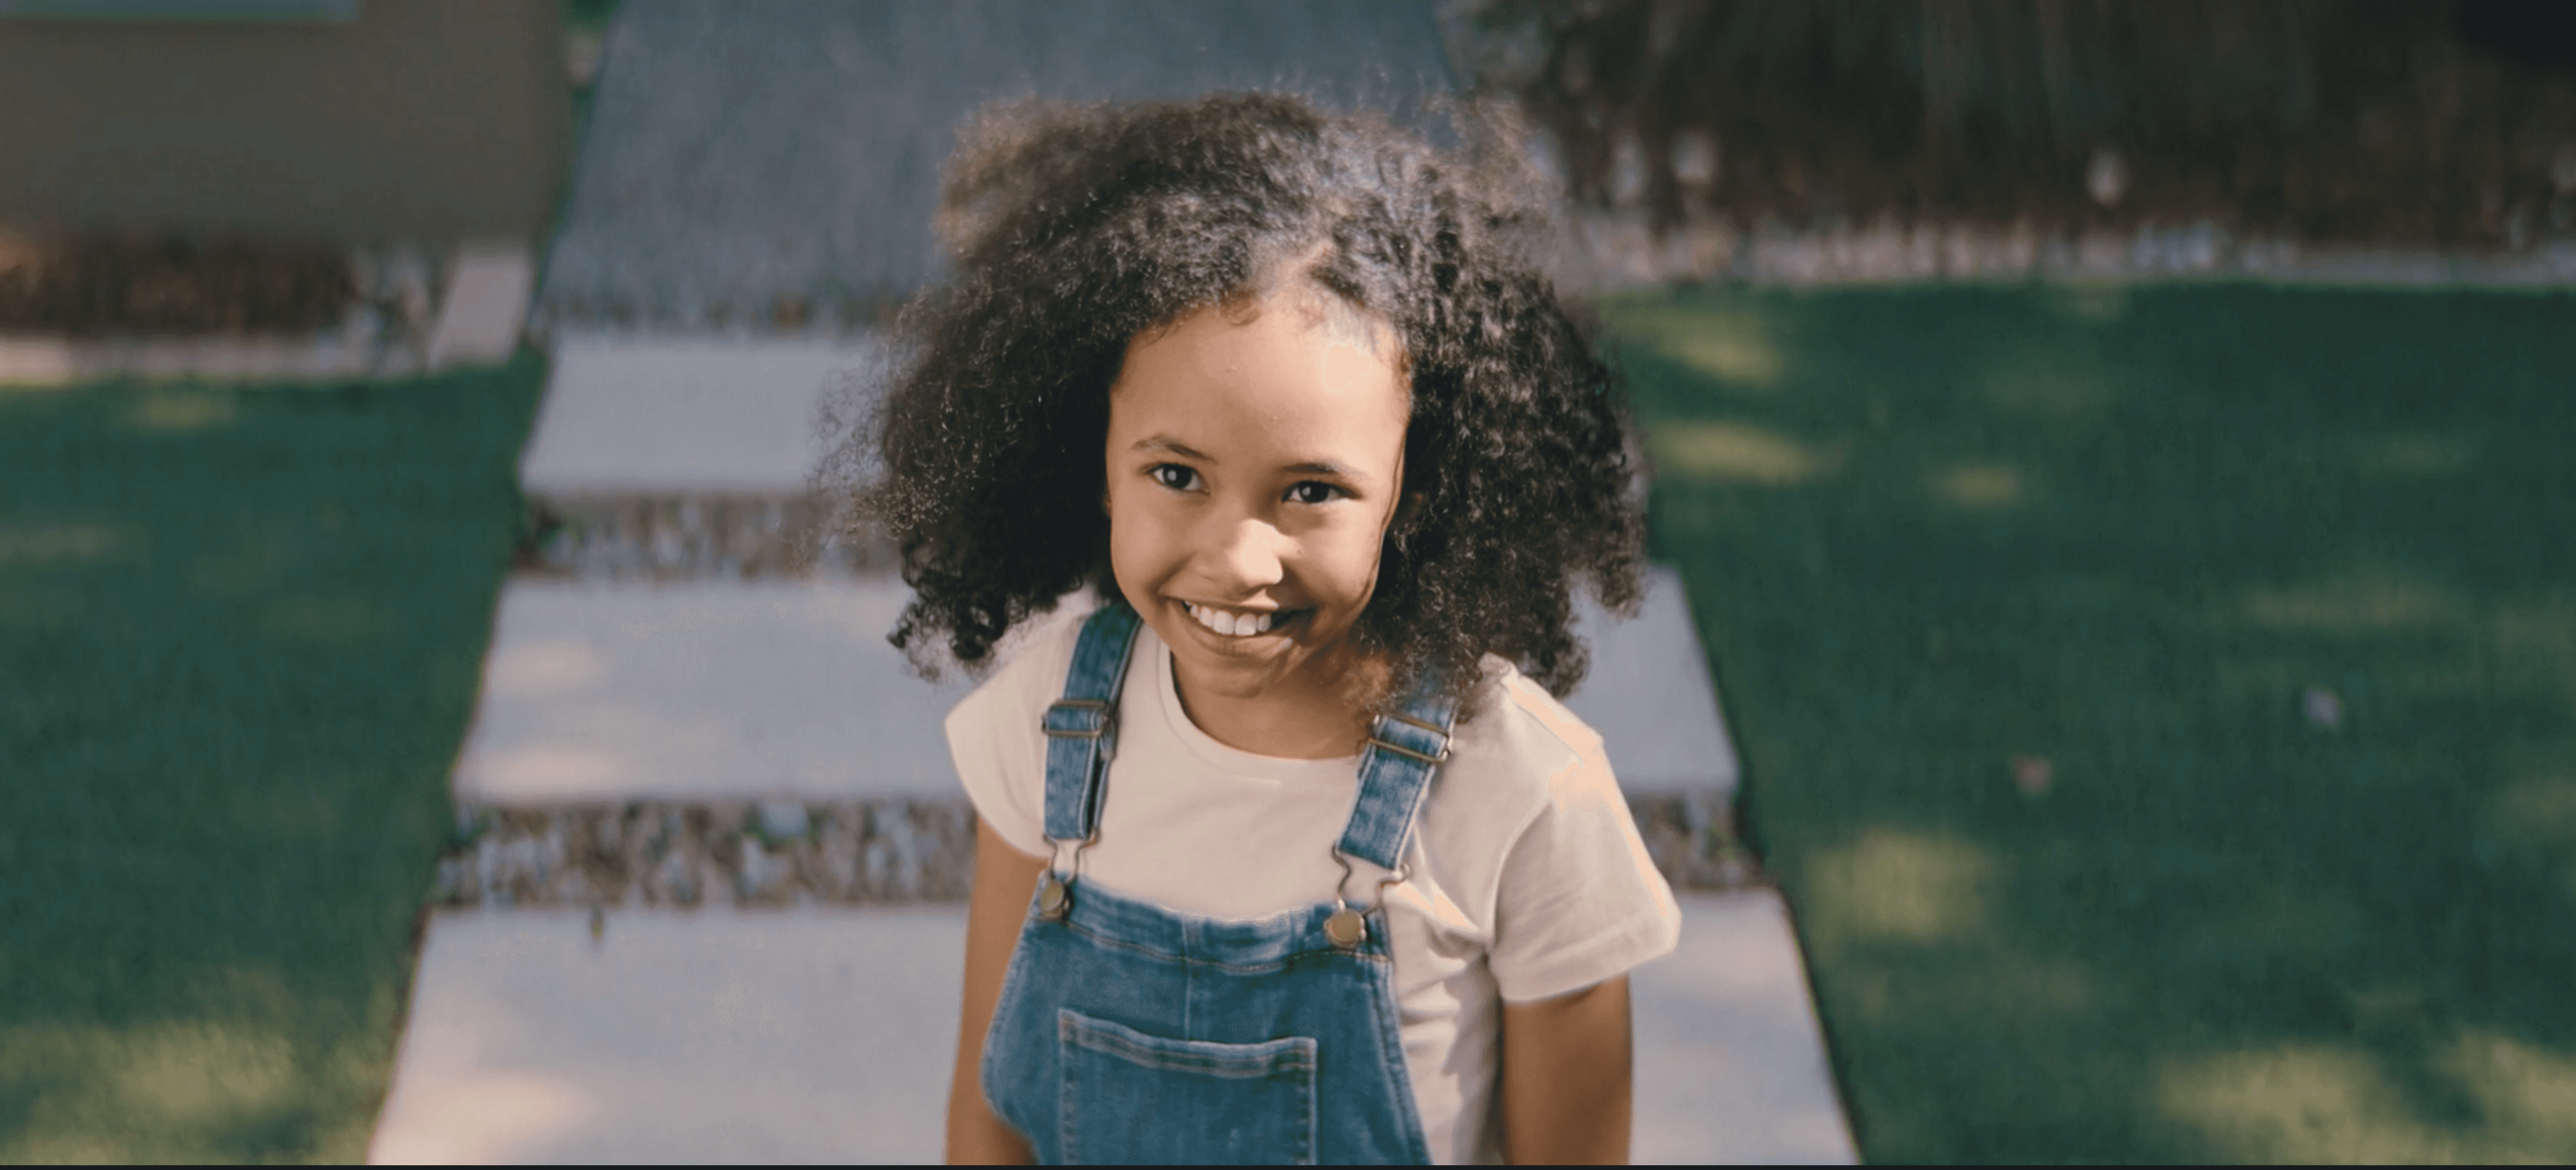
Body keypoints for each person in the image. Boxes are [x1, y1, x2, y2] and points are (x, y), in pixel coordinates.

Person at [842, 91, 1681, 1165]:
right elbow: (991, 1117)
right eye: (1177, 474)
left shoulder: (1521, 797)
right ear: (1093, 457)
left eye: (1313, 490)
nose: (1240, 559)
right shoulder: (1048, 723)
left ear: (1413, 488)